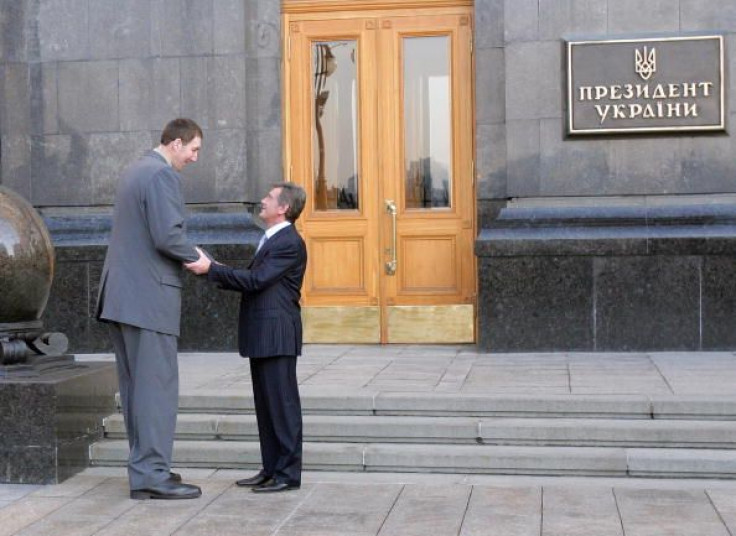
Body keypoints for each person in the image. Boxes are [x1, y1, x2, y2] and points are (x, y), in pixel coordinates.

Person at [96, 118, 207, 500]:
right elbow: (168, 236)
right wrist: (204, 261)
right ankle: (151, 474)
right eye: (193, 150)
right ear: (175, 143)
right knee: (156, 389)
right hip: (148, 298)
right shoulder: (161, 176)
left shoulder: (135, 170)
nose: (194, 158)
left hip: (123, 298)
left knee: (137, 390)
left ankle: (147, 468)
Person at [185, 182, 307, 493]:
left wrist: (212, 269)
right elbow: (257, 280)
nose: (262, 200)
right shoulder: (272, 239)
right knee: (267, 408)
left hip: (276, 334)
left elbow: (256, 280)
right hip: (264, 334)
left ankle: (287, 475)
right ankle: (271, 468)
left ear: (283, 208)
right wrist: (216, 268)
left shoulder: (288, 242)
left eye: (269, 197)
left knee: (282, 407)